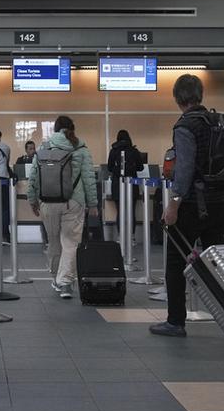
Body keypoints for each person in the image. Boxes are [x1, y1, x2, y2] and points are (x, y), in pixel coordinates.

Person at [152, 74, 224, 338]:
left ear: (177, 98)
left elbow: (184, 169)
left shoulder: (185, 126)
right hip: (219, 204)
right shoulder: (217, 122)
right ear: (200, 95)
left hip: (192, 207)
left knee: (176, 262)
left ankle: (176, 321)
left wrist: (173, 204)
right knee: (216, 264)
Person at [27, 116, 97, 300]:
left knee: (53, 242)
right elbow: (89, 179)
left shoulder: (44, 148)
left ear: (56, 130)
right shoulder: (80, 148)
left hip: (47, 203)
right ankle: (65, 282)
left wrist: (32, 200)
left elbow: (33, 176)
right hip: (73, 202)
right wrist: (93, 204)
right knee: (71, 243)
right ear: (72, 128)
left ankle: (55, 278)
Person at [107, 129, 144, 240]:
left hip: (117, 185)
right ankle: (132, 236)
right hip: (132, 184)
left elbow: (109, 167)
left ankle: (120, 236)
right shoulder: (134, 151)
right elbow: (140, 167)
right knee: (131, 211)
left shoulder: (113, 151)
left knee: (120, 212)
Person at [15, 140, 44, 246]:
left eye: (33, 148)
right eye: (30, 149)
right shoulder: (20, 160)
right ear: (26, 150)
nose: (32, 151)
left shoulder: (39, 159)